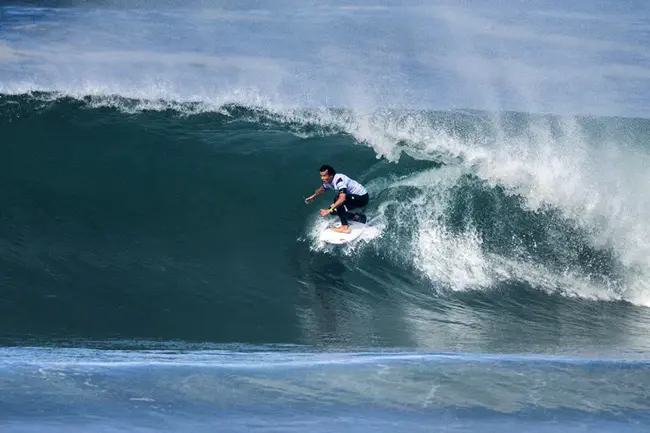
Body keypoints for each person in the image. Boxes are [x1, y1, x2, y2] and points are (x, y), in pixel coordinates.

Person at [304, 165, 369, 233]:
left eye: (324, 176)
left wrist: (329, 210)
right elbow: (321, 189)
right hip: (352, 199)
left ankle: (345, 227)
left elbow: (342, 198)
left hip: (362, 198)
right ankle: (358, 217)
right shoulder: (328, 181)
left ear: (331, 175)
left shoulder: (339, 180)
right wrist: (312, 197)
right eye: (321, 176)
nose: (322, 178)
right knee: (333, 211)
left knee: (337, 200)